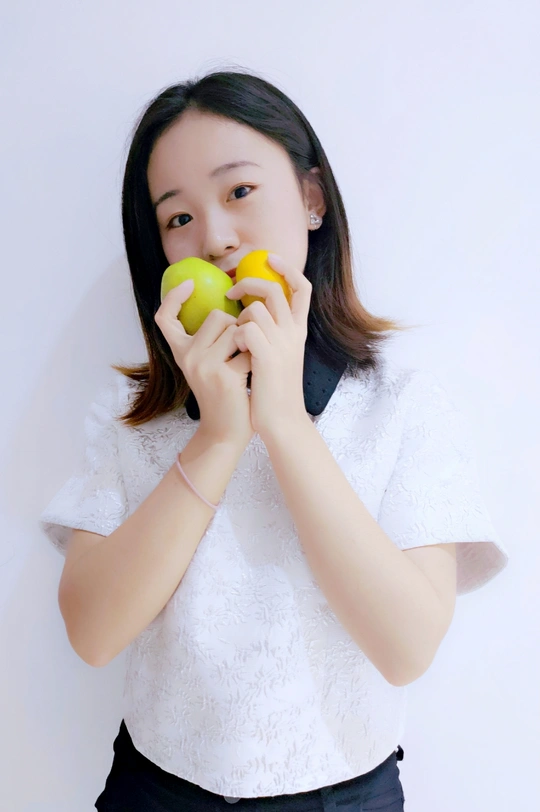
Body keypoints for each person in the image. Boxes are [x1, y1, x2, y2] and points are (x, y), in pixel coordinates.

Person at [39, 69, 509, 811]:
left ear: (312, 199)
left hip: (344, 797)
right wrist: (219, 435)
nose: (215, 237)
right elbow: (93, 634)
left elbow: (407, 648)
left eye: (239, 191)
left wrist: (284, 420)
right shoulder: (131, 415)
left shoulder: (401, 403)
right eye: (178, 218)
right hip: (157, 791)